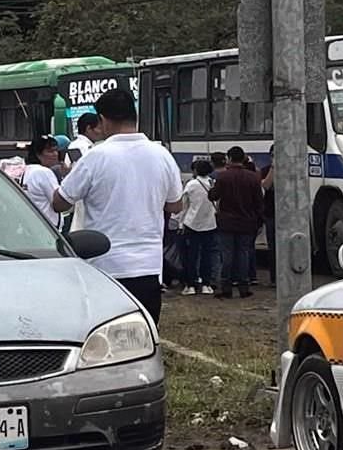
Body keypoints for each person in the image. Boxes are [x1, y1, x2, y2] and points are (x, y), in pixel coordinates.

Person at [53, 88, 182, 324]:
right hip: (149, 267)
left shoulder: (96, 156)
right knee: (145, 336)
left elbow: (60, 202)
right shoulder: (162, 155)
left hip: (105, 267)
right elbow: (175, 205)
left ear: (103, 120)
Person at [209, 146, 263, 299]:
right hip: (247, 222)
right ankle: (244, 287)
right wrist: (259, 221)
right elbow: (259, 202)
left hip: (227, 222)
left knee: (227, 254)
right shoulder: (253, 177)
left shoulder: (223, 177)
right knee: (243, 254)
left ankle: (226, 287)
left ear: (229, 158)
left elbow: (213, 196)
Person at [179, 159, 218, 295]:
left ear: (195, 171)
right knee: (207, 255)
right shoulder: (213, 183)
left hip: (191, 224)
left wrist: (180, 223)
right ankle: (206, 284)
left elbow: (184, 206)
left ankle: (191, 285)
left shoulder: (191, 185)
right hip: (210, 224)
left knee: (191, 255)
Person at [23, 135, 62, 228]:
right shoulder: (44, 172)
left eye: (56, 150)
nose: (55, 154)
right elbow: (58, 201)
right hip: (49, 227)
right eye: (50, 151)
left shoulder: (27, 170)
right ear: (38, 154)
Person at [261, 145, 276, 286]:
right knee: (273, 247)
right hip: (270, 213)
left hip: (287, 214)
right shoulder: (266, 170)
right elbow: (266, 186)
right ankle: (274, 278)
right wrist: (273, 168)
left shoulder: (292, 168)